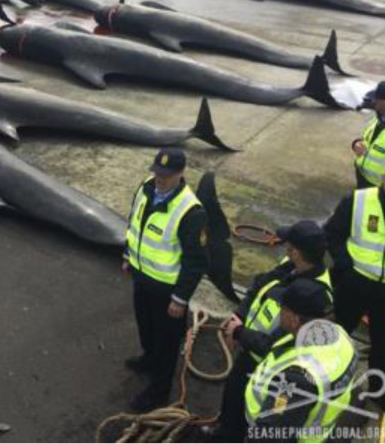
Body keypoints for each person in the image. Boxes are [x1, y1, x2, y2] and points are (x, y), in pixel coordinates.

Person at [209, 221, 332, 442]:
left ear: (296, 251)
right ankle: (225, 432)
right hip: (248, 348)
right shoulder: (291, 265)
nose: (285, 248)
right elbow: (259, 287)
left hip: (268, 365)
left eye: (289, 245)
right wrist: (240, 315)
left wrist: (239, 333)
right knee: (233, 398)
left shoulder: (315, 297)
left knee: (254, 411)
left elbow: (277, 344)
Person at [324, 159, 385, 420]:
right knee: (337, 337)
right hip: (354, 287)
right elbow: (332, 235)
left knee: (384, 349)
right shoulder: (357, 201)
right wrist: (346, 269)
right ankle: (327, 382)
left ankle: (380, 395)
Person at [122, 147, 208, 412]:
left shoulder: (191, 212)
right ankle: (149, 358)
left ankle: (159, 391)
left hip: (167, 292)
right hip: (142, 278)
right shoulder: (146, 188)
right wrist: (128, 254)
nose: (160, 179)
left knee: (167, 343)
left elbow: (196, 262)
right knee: (145, 326)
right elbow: (134, 223)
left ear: (181, 174)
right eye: (157, 172)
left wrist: (180, 298)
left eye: (166, 176)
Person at [243, 279, 356, 443]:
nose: (279, 311)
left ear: (294, 319)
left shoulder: (297, 379)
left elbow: (271, 436)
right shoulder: (341, 337)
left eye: (282, 307)